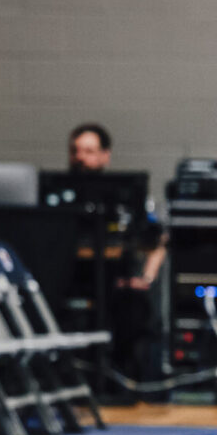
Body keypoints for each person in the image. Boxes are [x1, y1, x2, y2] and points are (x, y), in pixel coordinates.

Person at [70, 120, 165, 390]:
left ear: (104, 155)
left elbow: (158, 241)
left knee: (133, 310)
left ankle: (122, 380)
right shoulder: (60, 195)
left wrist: (146, 277)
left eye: (88, 152)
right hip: (73, 281)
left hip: (118, 283)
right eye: (76, 151)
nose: (80, 158)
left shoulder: (125, 196)